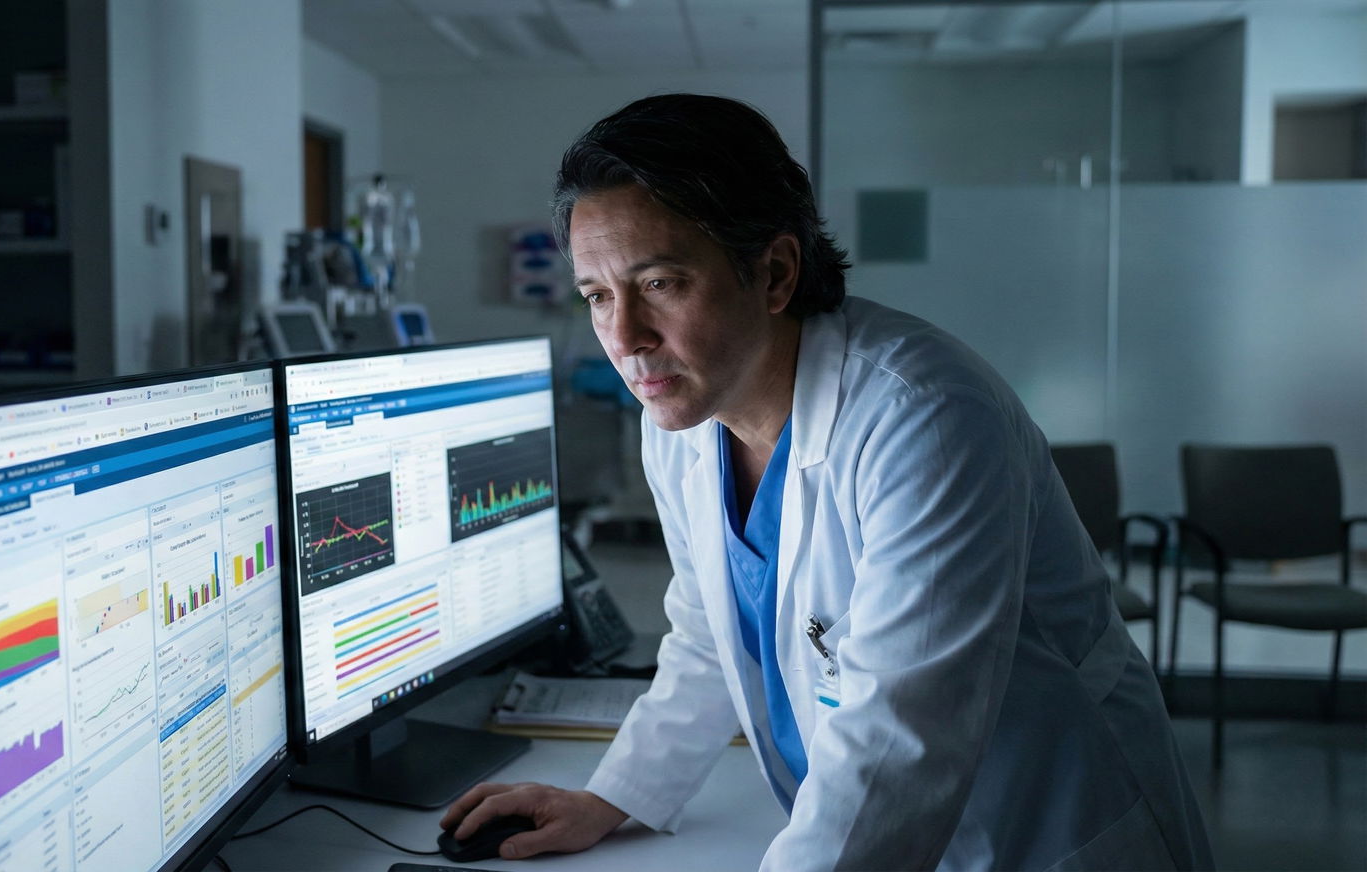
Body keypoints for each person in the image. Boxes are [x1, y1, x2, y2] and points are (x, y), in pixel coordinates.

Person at [441, 94, 1214, 871]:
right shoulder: (682, 421)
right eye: (598, 296)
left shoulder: (924, 418)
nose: (625, 337)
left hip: (1045, 833)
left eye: (662, 283)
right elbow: (711, 637)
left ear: (774, 272)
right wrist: (612, 798)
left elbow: (899, 743)